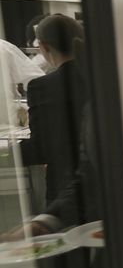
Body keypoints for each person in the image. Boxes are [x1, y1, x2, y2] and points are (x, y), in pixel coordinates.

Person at [20, 14, 88, 205]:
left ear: (43, 47)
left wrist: (7, 155)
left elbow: (41, 149)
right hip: (108, 184)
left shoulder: (42, 86)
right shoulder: (101, 78)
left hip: (66, 190)